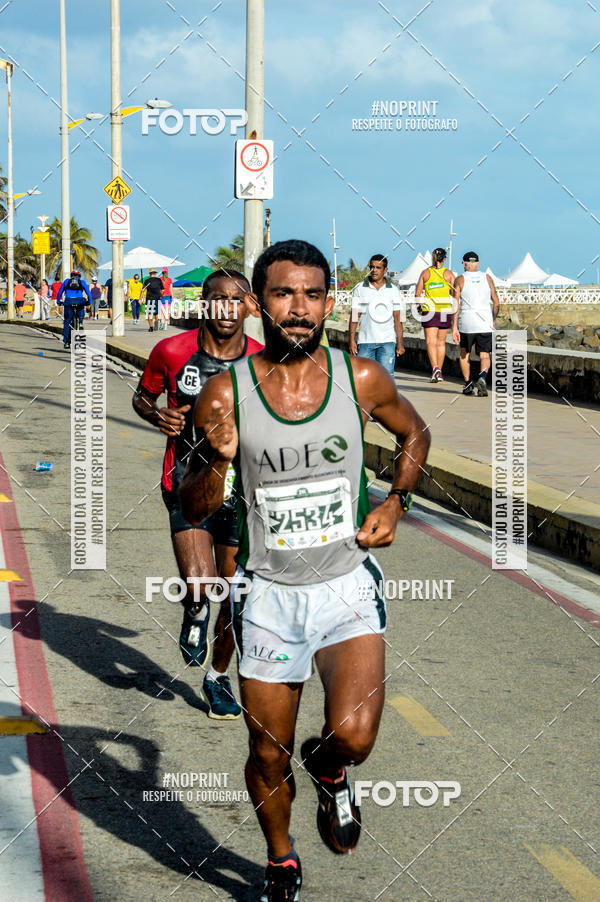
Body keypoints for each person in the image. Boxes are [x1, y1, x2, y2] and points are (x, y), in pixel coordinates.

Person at [179, 240, 430, 901]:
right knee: (267, 754)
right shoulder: (223, 394)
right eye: (284, 294)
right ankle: (281, 857)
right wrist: (215, 460)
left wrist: (396, 500)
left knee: (354, 733)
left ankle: (330, 768)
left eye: (313, 295)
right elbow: (194, 505)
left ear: (329, 303)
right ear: (260, 302)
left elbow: (416, 435)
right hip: (267, 596)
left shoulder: (361, 380)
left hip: (346, 585)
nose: (299, 308)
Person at [133, 270, 263, 719]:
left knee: (237, 594)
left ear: (248, 306)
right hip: (185, 483)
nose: (227, 308)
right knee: (202, 585)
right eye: (218, 299)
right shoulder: (171, 350)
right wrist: (158, 416)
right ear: (203, 304)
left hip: (243, 493)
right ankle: (193, 609)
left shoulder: (264, 362)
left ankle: (217, 677)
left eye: (237, 299)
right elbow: (142, 398)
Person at [452, 251, 499, 396]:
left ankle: (467, 384)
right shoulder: (487, 278)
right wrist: (493, 319)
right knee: (485, 355)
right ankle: (482, 376)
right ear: (478, 263)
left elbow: (455, 304)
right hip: (485, 322)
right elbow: (496, 303)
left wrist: (454, 327)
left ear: (464, 263)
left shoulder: (460, 279)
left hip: (467, 323)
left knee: (464, 353)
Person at [349, 253, 405, 375]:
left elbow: (397, 318)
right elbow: (354, 315)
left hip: (387, 341)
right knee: (364, 377)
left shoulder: (394, 290)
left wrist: (400, 343)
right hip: (365, 341)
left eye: (378, 268)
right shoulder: (359, 288)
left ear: (385, 270)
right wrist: (351, 340)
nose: (374, 270)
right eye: (372, 267)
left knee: (386, 378)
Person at [415, 247, 455, 382]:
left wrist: (419, 307)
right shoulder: (449, 274)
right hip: (444, 310)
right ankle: (440, 372)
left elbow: (417, 294)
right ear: (444, 259)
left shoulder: (425, 273)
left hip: (429, 310)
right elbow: (454, 293)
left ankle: (435, 369)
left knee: (430, 342)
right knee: (441, 343)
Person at [56, 270, 92, 349]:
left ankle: (66, 342)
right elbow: (89, 293)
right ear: (79, 276)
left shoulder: (66, 281)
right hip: (79, 300)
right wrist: (89, 302)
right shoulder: (82, 282)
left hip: (69, 301)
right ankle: (81, 321)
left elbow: (59, 293)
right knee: (82, 305)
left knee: (67, 322)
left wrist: (58, 301)